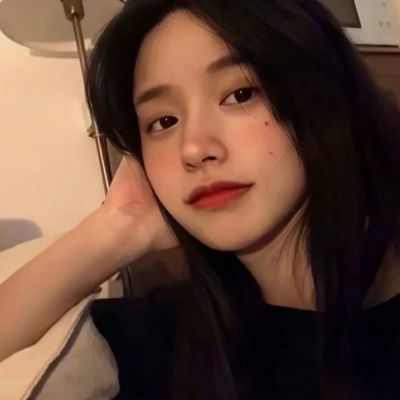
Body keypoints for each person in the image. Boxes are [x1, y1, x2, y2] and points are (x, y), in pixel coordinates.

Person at [1, 0, 400, 399]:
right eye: (164, 121)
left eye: (239, 94)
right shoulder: (157, 345)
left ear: (323, 97)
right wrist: (118, 225)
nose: (193, 148)